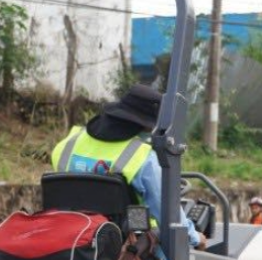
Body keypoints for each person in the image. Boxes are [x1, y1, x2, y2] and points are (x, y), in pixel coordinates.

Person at [51, 84, 201, 247]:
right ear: (148, 126)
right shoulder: (143, 159)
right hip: (121, 252)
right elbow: (169, 219)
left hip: (67, 240)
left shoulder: (68, 144)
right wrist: (195, 238)